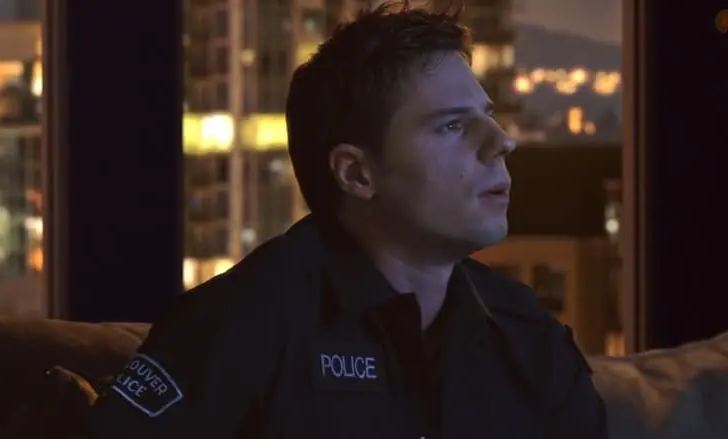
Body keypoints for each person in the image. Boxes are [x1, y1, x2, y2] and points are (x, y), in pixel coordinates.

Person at [86, 3, 607, 438]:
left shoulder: (526, 337)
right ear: (357, 173)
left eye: (487, 116)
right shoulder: (240, 325)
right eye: (451, 126)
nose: (501, 142)